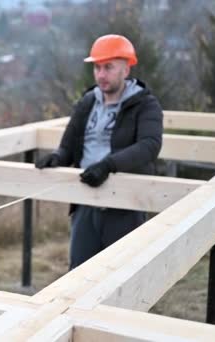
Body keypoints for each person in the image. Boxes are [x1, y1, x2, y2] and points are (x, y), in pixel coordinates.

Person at [35, 34, 163, 270]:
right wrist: (57, 158)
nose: (101, 74)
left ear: (126, 70)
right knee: (80, 273)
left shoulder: (145, 104)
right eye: (97, 67)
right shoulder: (87, 102)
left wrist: (108, 165)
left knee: (120, 273)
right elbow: (69, 145)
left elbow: (149, 146)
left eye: (108, 67)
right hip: (85, 200)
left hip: (124, 204)